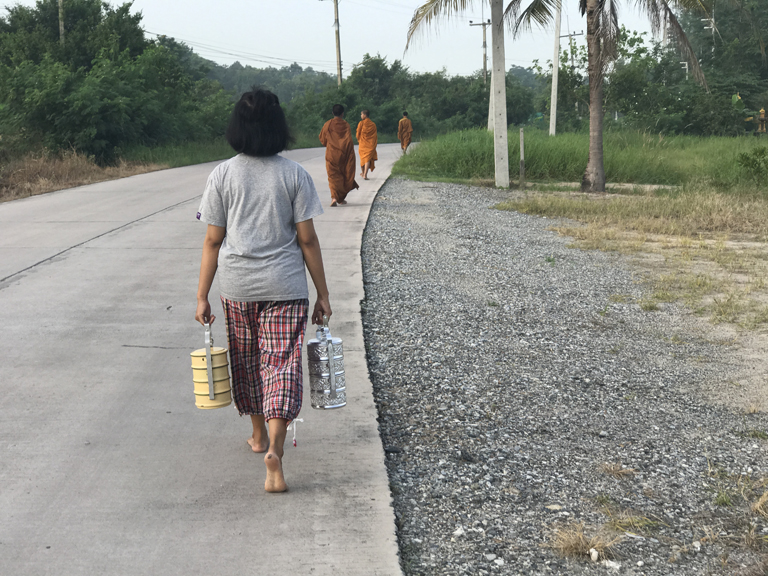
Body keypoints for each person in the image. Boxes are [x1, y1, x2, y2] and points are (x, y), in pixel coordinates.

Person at [195, 89, 332, 493]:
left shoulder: (221, 175)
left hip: (237, 287)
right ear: (278, 128)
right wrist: (322, 293)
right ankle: (275, 445)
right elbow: (307, 240)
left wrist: (202, 295)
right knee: (282, 363)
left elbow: (212, 242)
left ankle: (257, 438)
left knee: (248, 362)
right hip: (286, 287)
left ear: (237, 127)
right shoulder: (294, 175)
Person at [319, 104, 359, 207]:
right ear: (342, 114)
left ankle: (334, 198)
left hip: (332, 154)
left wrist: (331, 144)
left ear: (333, 113)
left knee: (333, 176)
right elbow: (349, 141)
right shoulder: (346, 125)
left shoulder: (327, 124)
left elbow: (323, 139)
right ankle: (340, 198)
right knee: (344, 175)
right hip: (344, 155)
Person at [356, 109, 378, 180]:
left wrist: (359, 140)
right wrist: (373, 144)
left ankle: (363, 173)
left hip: (363, 144)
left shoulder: (361, 123)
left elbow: (358, 134)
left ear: (365, 115)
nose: (361, 116)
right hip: (370, 144)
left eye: (361, 114)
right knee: (367, 159)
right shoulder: (373, 124)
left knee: (363, 159)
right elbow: (375, 136)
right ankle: (365, 174)